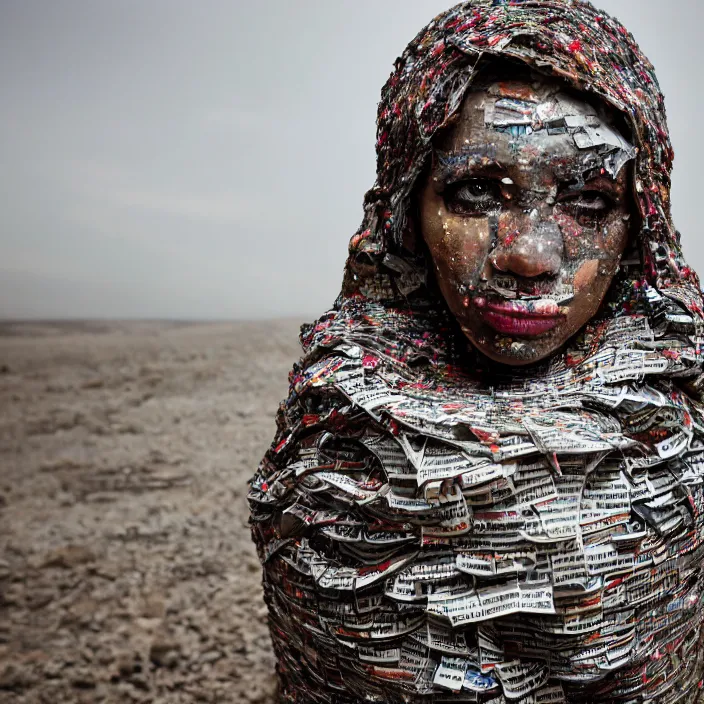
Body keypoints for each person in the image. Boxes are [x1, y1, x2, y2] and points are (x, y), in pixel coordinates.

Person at [248, 1, 704, 702]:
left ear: (640, 223)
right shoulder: (329, 443)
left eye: (588, 201)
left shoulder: (685, 431)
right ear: (409, 204)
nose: (526, 254)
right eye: (475, 191)